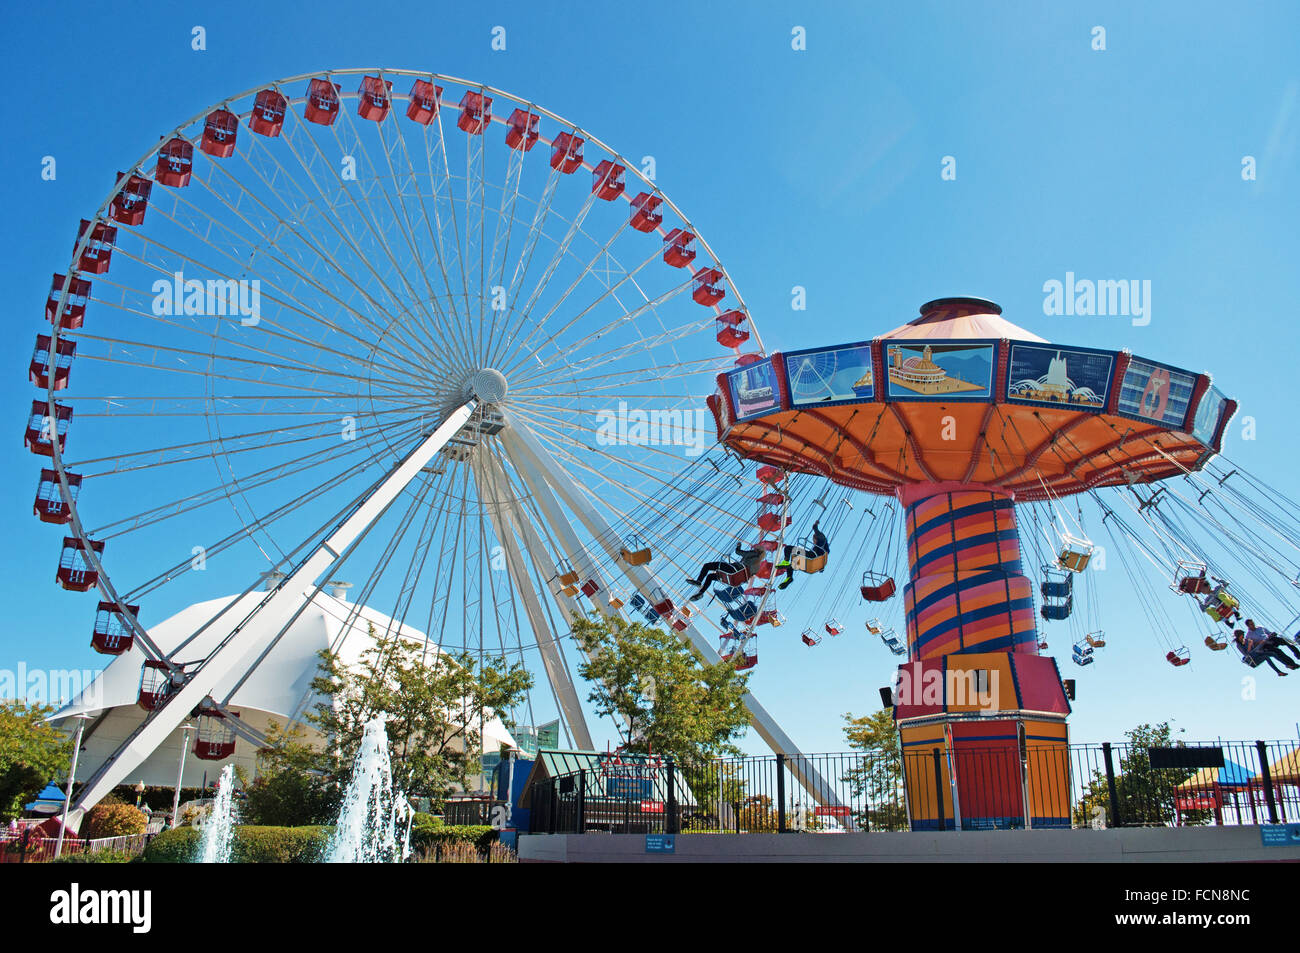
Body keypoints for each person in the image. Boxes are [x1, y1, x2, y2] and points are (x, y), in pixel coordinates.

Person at [686, 542, 763, 601]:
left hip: (733, 571)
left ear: (757, 550)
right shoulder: (757, 566)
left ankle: (699, 581)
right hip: (734, 581)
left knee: (707, 566)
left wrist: (738, 546)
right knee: (710, 576)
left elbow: (738, 552)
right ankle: (701, 592)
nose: (753, 549)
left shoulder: (754, 554)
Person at [776, 520, 829, 590]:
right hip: (811, 564)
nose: (813, 542)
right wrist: (820, 568)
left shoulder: (821, 539)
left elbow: (815, 529)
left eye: (813, 540)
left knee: (788, 548)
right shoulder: (824, 551)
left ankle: (785, 561)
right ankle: (789, 577)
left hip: (811, 556)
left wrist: (816, 524)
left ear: (816, 538)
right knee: (793, 562)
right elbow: (823, 561)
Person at [1234, 630, 1298, 675]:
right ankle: (1279, 672)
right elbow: (1247, 654)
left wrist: (1263, 642)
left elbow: (1255, 647)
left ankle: (1287, 665)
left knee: (1273, 653)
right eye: (1242, 635)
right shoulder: (1239, 645)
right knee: (1266, 657)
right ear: (1238, 636)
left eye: (1243, 635)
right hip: (1253, 658)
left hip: (1257, 653)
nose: (1243, 636)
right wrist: (1250, 645)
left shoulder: (1246, 640)